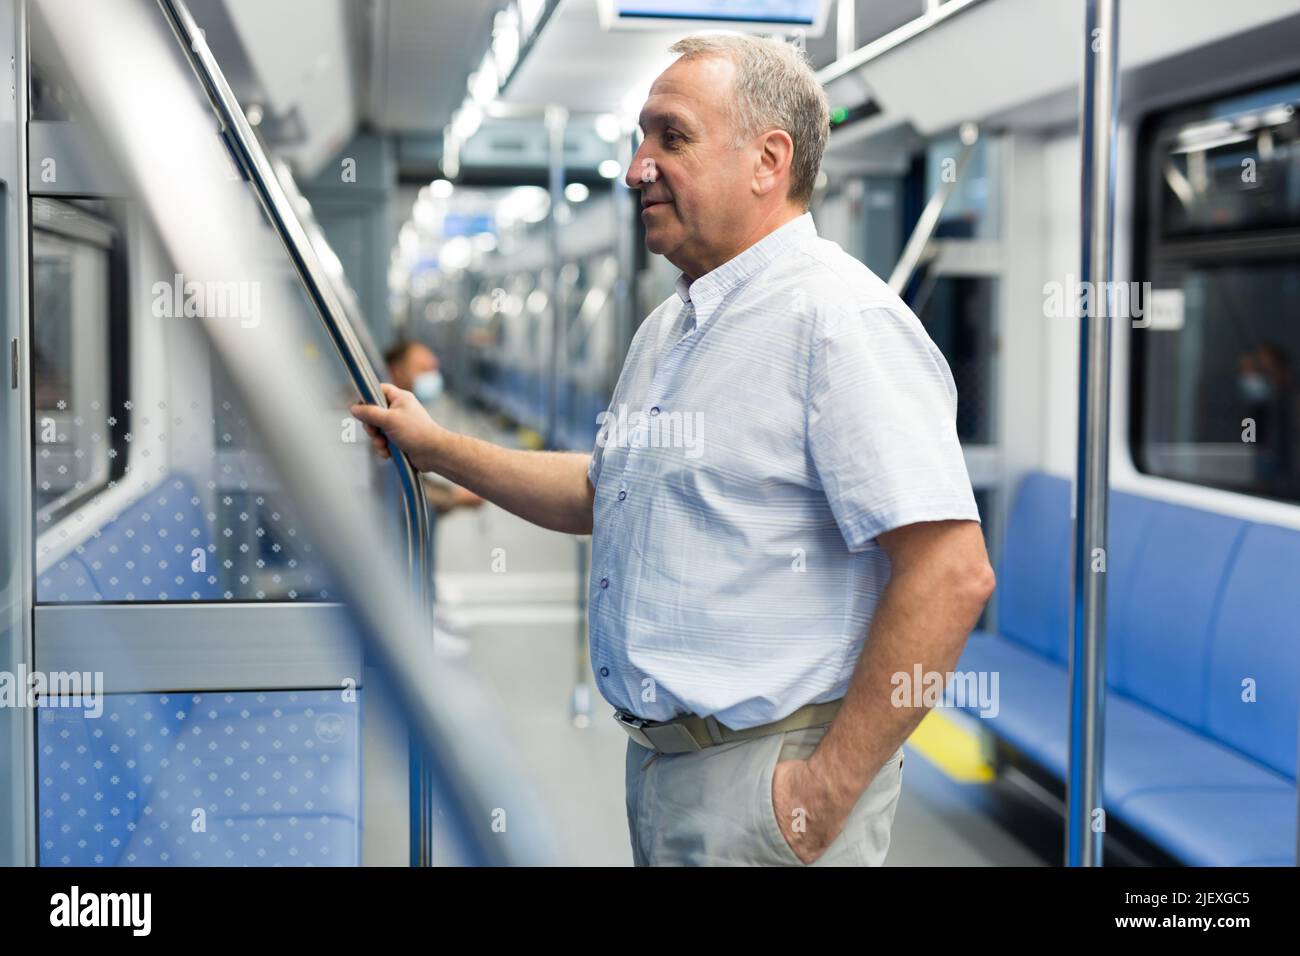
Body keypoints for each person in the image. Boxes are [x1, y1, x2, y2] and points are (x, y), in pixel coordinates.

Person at [354, 34, 994, 867]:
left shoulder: (840, 322)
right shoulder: (673, 328)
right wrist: (436, 448)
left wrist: (819, 793)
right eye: (639, 138)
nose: (636, 168)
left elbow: (951, 571)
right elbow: (601, 490)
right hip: (666, 769)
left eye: (671, 137)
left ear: (768, 160)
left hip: (770, 782)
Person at [383, 339, 483, 516]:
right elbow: (391, 483)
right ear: (397, 372)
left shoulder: (396, 412)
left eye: (434, 369)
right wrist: (453, 497)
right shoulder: (376, 416)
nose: (433, 377)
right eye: (424, 370)